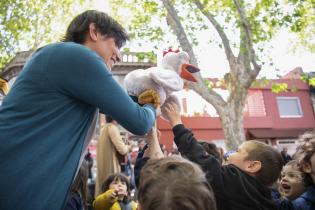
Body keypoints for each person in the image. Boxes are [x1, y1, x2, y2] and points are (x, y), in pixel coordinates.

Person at [0, 10, 159, 210]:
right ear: (94, 31)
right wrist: (153, 101)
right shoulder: (77, 55)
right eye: (116, 43)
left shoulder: (58, 60)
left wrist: (139, 100)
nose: (118, 54)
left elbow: (121, 102)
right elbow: (140, 122)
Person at [163, 102, 283, 210]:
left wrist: (177, 124)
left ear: (252, 166)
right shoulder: (267, 198)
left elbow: (200, 160)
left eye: (237, 151)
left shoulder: (236, 183)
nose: (228, 154)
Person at [95, 115, 130, 196]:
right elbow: (122, 149)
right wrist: (128, 146)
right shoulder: (112, 128)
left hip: (103, 169)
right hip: (111, 169)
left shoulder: (103, 129)